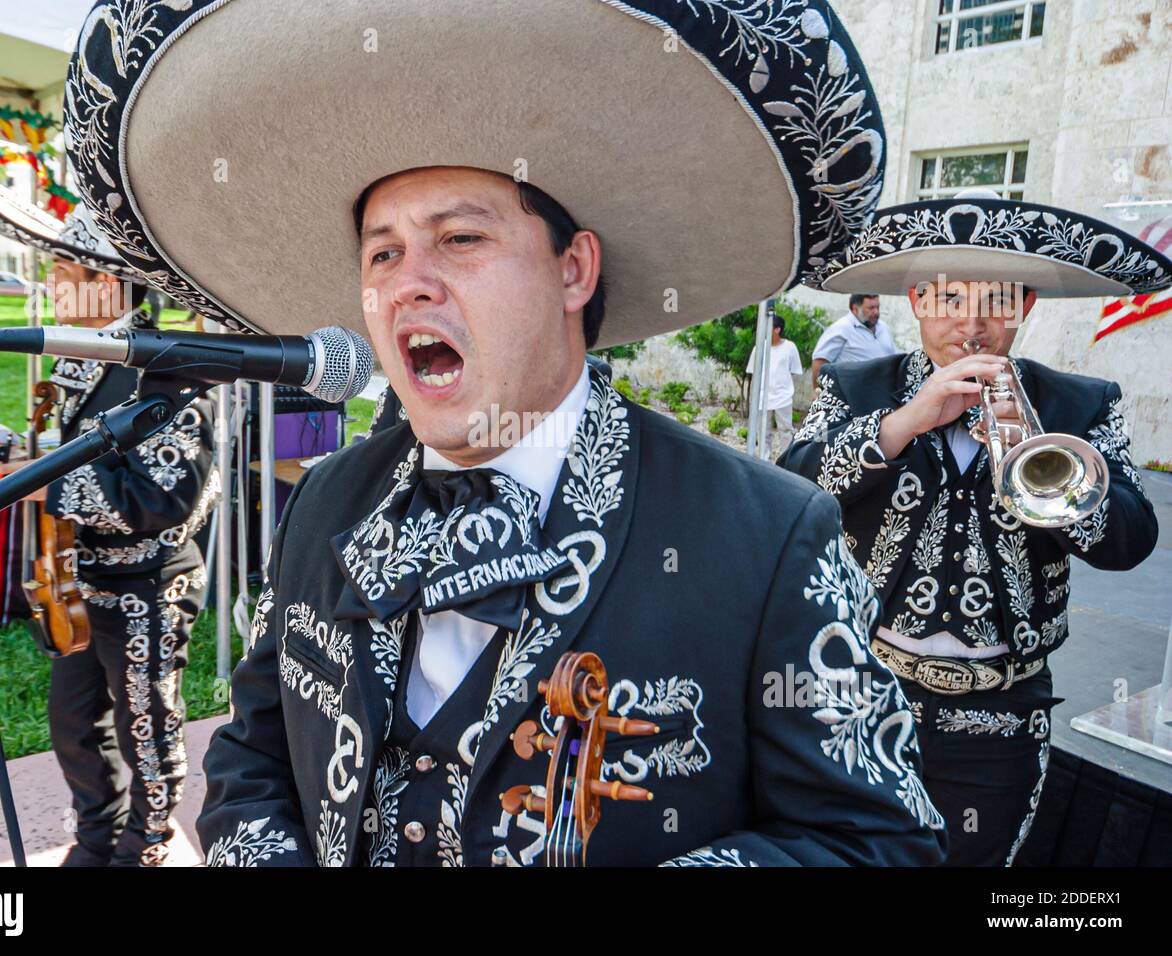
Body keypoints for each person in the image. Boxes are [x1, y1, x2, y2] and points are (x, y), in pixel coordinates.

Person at [71, 0, 944, 867]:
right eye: (382, 255)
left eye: (458, 239)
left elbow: (877, 841)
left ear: (573, 270)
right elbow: (252, 756)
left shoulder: (766, 534)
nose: (408, 284)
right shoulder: (325, 501)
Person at [780, 188, 1167, 865]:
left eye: (996, 302)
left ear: (1026, 307)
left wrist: (1043, 457)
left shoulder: (1081, 401)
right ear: (918, 302)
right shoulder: (854, 384)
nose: (972, 324)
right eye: (951, 300)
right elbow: (792, 489)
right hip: (865, 692)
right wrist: (900, 426)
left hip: (1001, 714)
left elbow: (1131, 542)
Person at [0, 179, 218, 866]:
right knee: (75, 724)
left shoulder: (168, 371)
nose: (51, 283)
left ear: (109, 284)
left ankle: (146, 843)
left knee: (147, 722)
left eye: (65, 270)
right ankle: (95, 836)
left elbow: (170, 498)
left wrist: (43, 484)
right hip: (79, 585)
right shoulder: (78, 361)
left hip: (148, 587)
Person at [810, 292, 896, 393]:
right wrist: (819, 392)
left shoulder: (884, 328)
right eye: (871, 308)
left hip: (882, 395)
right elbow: (820, 361)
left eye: (878, 307)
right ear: (855, 309)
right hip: (851, 398)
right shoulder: (842, 328)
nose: (876, 312)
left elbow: (893, 357)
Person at [745, 314, 803, 458]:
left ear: (777, 329)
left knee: (786, 431)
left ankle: (787, 461)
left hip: (783, 397)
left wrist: (782, 385)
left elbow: (794, 370)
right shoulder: (759, 347)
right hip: (762, 398)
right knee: (763, 432)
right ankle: (765, 462)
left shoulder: (790, 347)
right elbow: (753, 372)